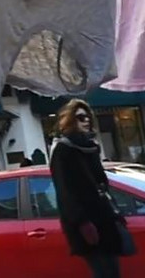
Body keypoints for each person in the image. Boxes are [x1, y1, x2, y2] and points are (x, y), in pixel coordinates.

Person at [50, 99, 129, 278]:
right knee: (103, 271)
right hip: (86, 223)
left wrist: (114, 213)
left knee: (113, 271)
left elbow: (101, 182)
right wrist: (83, 222)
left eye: (88, 117)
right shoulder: (63, 150)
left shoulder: (90, 147)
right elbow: (65, 191)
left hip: (104, 218)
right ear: (70, 120)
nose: (86, 121)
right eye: (80, 117)